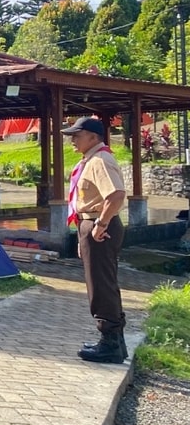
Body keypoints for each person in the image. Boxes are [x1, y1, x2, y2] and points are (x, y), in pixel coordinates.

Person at [62, 117, 128, 364]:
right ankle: (116, 342)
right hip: (91, 223)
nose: (72, 141)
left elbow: (116, 194)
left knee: (101, 285)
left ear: (92, 136)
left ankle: (109, 343)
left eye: (76, 136)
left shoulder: (100, 160)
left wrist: (100, 224)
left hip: (100, 224)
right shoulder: (91, 160)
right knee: (102, 282)